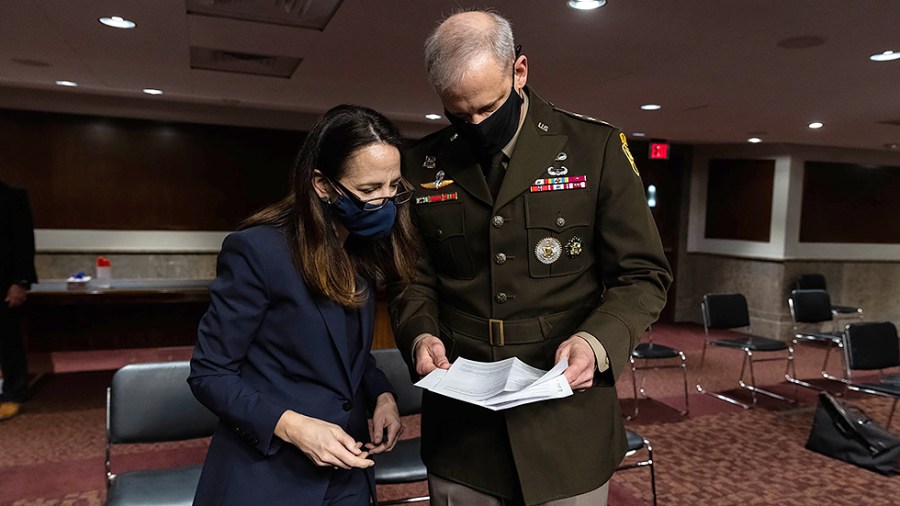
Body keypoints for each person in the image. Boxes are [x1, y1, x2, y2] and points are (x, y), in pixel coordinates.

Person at [387, 10, 673, 506]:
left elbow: (643, 275)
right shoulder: (420, 164)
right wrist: (420, 333)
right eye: (460, 114)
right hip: (464, 425)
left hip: (564, 415)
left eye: (489, 106)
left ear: (519, 71)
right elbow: (412, 276)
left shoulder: (595, 148)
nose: (476, 125)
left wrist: (597, 342)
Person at [188, 104, 419, 505]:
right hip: (269, 473)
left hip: (347, 467)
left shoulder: (360, 251)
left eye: (393, 186)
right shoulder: (258, 250)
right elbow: (210, 374)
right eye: (368, 190)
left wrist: (382, 395)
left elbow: (348, 356)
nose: (385, 202)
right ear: (323, 185)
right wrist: (294, 427)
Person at [0, 181, 38, 422]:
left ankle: (13, 394)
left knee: (7, 341)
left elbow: (24, 243)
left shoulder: (12, 197)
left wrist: (21, 282)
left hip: (4, 284)